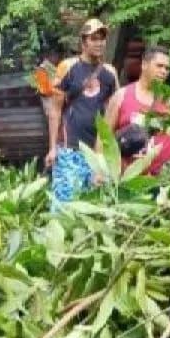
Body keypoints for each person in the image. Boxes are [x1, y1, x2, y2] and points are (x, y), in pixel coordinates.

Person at [45, 18, 119, 204]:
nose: (99, 43)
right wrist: (53, 148)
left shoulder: (110, 73)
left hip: (98, 153)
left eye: (102, 38)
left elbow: (114, 110)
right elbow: (55, 110)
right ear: (83, 42)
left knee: (94, 205)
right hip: (70, 148)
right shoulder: (68, 68)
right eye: (94, 38)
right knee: (65, 204)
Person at [105, 46, 170, 174]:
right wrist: (100, 172)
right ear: (144, 64)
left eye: (167, 68)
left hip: (164, 181)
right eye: (159, 66)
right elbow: (104, 138)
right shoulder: (122, 96)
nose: (164, 71)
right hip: (128, 177)